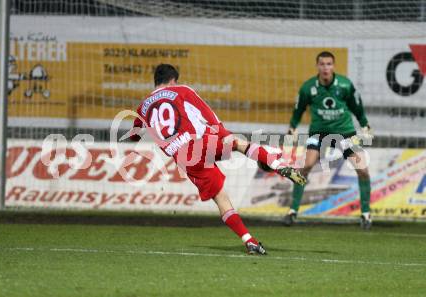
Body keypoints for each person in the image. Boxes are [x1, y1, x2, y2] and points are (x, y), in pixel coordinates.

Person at [131, 64, 306, 255]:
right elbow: (206, 112)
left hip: (184, 158)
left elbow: (135, 134)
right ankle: (276, 163)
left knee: (221, 198)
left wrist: (140, 134)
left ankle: (249, 241)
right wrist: (224, 133)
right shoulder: (181, 90)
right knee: (239, 144)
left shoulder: (143, 106)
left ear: (155, 80)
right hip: (198, 141)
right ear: (173, 80)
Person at [284, 51, 373, 229]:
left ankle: (366, 213)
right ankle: (292, 211)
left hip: (345, 133)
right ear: (317, 66)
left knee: (362, 170)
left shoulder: (345, 85)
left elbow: (357, 106)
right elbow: (298, 109)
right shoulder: (308, 87)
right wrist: (292, 127)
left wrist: (364, 124)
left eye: (329, 64)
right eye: (322, 64)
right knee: (307, 165)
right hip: (319, 133)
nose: (326, 68)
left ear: (333, 66)